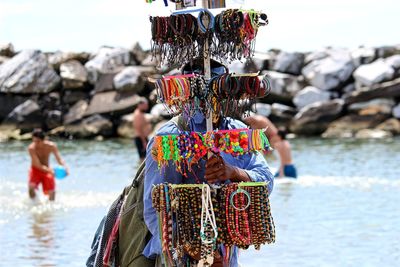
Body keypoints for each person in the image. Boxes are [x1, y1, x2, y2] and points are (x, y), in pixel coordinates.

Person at [143, 59, 275, 267]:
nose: (209, 100)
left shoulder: (238, 132)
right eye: (200, 93)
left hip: (227, 254)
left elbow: (267, 181)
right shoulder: (170, 137)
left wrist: (234, 172)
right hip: (181, 257)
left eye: (218, 91)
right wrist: (195, 251)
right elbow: (155, 208)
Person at [28, 129, 68, 201]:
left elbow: (59, 159)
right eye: (34, 141)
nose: (35, 143)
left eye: (38, 141)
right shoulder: (31, 148)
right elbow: (38, 164)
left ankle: (51, 207)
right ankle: (34, 203)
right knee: (31, 187)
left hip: (47, 170)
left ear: (44, 140)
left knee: (51, 192)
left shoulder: (51, 146)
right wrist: (51, 171)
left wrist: (65, 168)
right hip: (35, 170)